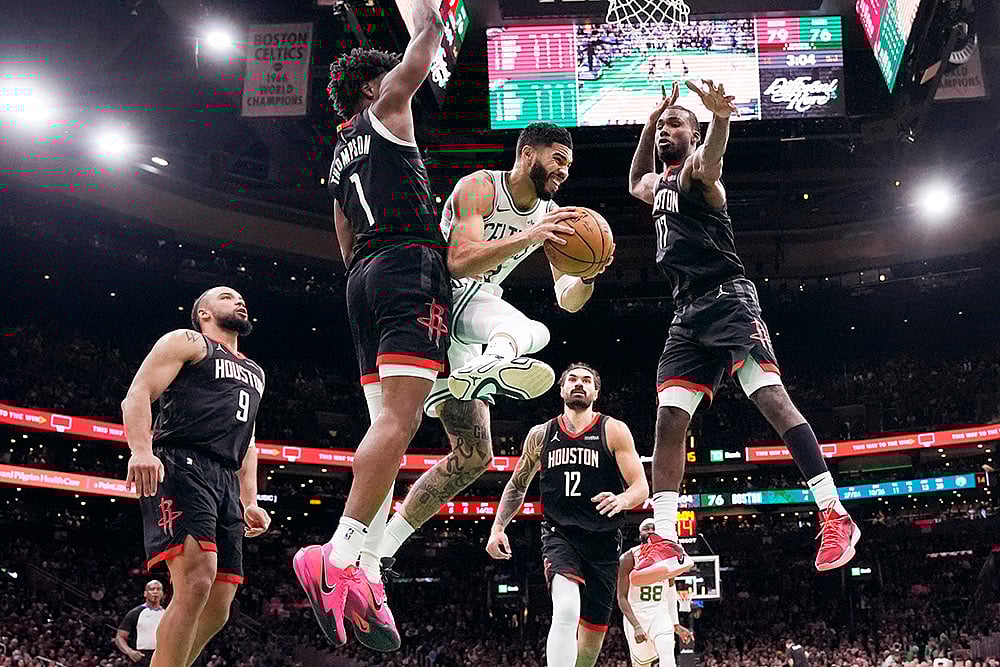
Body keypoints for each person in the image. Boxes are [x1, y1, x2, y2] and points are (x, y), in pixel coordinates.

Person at [626, 80, 859, 585]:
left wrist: (719, 121)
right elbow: (634, 184)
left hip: (729, 301)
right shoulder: (658, 184)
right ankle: (664, 536)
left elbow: (711, 162)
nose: (667, 131)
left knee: (771, 399)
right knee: (668, 419)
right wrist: (647, 127)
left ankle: (834, 513)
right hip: (686, 314)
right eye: (664, 126)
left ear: (692, 135)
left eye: (675, 125)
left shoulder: (700, 178)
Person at [292, 0, 453, 653]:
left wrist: (366, 272)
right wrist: (431, 16)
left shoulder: (339, 148)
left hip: (363, 275)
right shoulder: (385, 109)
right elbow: (421, 54)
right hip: (406, 264)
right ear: (370, 87)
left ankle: (368, 568)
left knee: (383, 428)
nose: (398, 86)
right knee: (403, 422)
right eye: (383, 78)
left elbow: (340, 225)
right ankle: (339, 552)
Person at [379, 122, 614, 567]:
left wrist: (587, 274)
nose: (564, 172)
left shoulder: (552, 214)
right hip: (435, 300)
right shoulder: (481, 187)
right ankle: (488, 364)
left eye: (569, 164)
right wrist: (530, 236)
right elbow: (460, 261)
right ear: (527, 155)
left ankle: (384, 552)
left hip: (469, 324)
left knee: (474, 456)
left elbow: (568, 300)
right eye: (557, 159)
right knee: (533, 332)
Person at [122, 286, 271, 667]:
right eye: (226, 297)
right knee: (196, 580)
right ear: (203, 313)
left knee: (219, 605)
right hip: (182, 462)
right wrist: (141, 450)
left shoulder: (256, 372)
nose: (239, 300)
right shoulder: (187, 341)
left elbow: (248, 443)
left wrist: (249, 499)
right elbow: (138, 393)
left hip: (224, 477)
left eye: (241, 297)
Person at [487, 363, 649, 667]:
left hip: (602, 542)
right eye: (572, 379)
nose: (579, 384)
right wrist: (498, 527)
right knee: (565, 610)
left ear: (596, 392)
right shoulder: (541, 434)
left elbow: (640, 486)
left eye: (587, 380)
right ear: (561, 390)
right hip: (560, 535)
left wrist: (622, 499)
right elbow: (518, 484)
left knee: (589, 647)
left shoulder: (613, 429)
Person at [618, 520, 694, 667]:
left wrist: (676, 624)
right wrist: (636, 626)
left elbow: (671, 591)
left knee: (667, 650)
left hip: (659, 612)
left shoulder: (668, 557)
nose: (651, 530)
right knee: (641, 664)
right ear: (640, 533)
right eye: (647, 528)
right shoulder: (628, 558)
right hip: (637, 613)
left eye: (654, 528)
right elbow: (621, 597)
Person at [114, 580, 165, 665]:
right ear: (145, 593)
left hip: (161, 656)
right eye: (152, 589)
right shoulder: (135, 613)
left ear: (162, 593)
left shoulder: (166, 613)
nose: (155, 592)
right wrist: (129, 651)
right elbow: (120, 637)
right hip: (141, 657)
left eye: (158, 589)